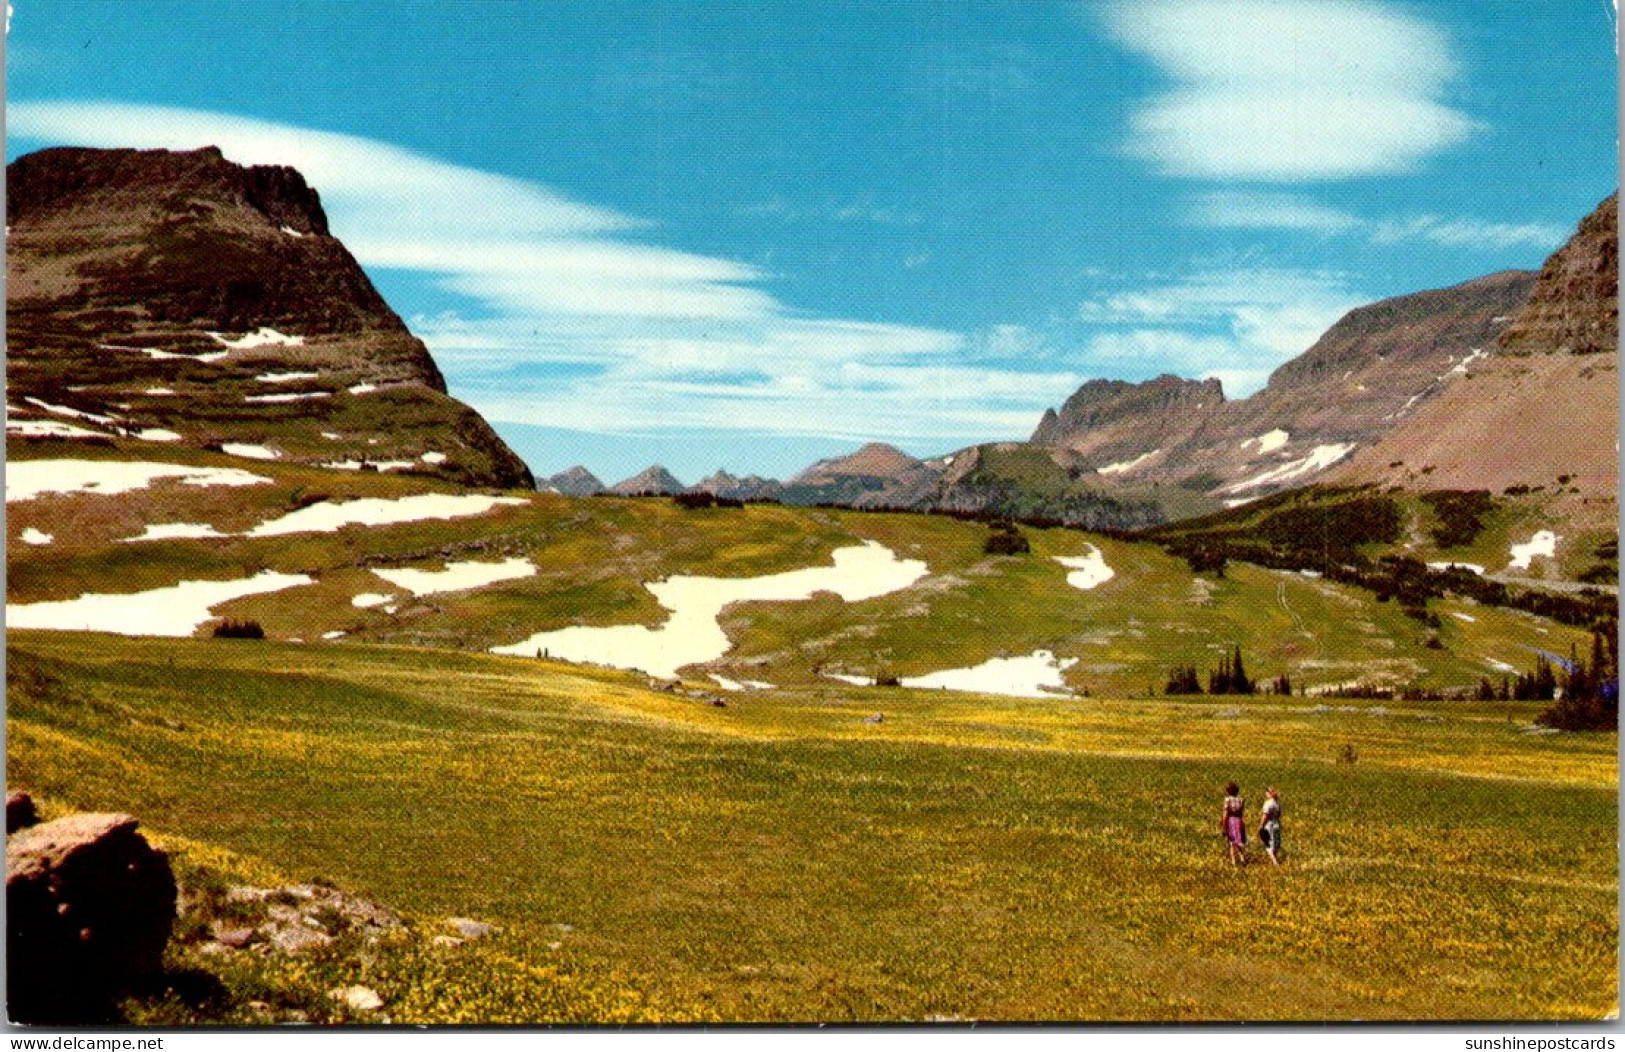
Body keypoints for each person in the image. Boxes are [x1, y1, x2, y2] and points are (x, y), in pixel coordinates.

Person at [1221, 781, 1246, 866]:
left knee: (1231, 841)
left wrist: (1224, 826)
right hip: (1239, 820)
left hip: (1231, 820)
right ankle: (1242, 857)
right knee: (1239, 839)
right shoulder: (1240, 800)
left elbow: (1225, 813)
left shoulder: (1227, 800)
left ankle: (1233, 861)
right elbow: (1241, 812)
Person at [1258, 786, 1283, 866]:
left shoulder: (1268, 803)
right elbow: (1279, 814)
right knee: (1275, 844)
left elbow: (1265, 815)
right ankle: (1274, 860)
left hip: (1270, 824)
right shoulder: (1277, 803)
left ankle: (1275, 863)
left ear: (1269, 793)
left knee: (1268, 845)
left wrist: (1261, 825)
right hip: (1277, 824)